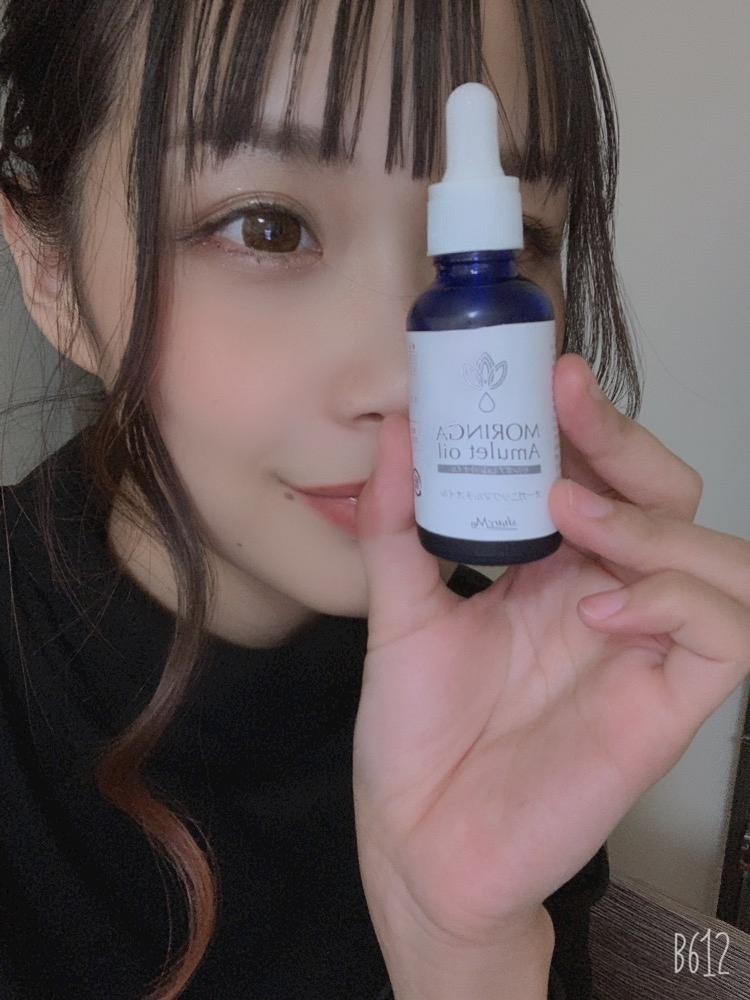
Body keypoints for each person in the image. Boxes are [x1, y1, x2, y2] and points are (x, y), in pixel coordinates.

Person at [0, 0, 748, 998]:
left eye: (516, 236)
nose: (414, 377)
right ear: (48, 269)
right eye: (267, 227)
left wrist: (466, 956)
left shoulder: (519, 686)